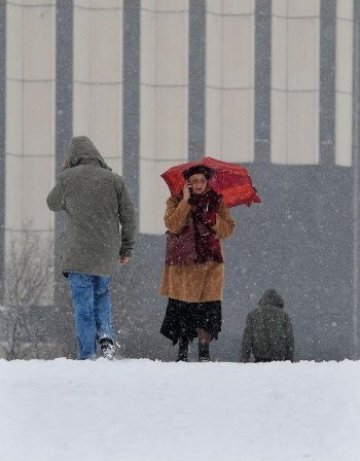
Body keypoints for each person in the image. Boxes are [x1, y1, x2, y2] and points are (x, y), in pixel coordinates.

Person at [46, 136, 136, 360]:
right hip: (105, 251)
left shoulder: (68, 178)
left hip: (78, 253)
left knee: (83, 303)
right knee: (102, 295)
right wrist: (126, 248)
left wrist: (65, 175)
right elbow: (129, 217)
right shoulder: (114, 180)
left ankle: (87, 353)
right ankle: (106, 335)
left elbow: (52, 203)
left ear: (73, 157)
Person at [160, 165, 236, 362]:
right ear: (187, 183)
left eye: (202, 181)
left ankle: (204, 353)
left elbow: (228, 230)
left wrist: (214, 218)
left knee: (208, 310)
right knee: (184, 309)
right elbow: (172, 224)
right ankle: (182, 352)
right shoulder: (175, 200)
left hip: (211, 263)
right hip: (184, 265)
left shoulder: (217, 201)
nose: (199, 185)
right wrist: (185, 202)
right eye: (194, 181)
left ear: (208, 181)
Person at [241, 289, 295, 363]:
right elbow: (289, 340)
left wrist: (244, 360)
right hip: (279, 361)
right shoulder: (284, 315)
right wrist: (289, 361)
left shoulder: (253, 314)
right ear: (278, 300)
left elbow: (247, 339)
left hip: (259, 359)